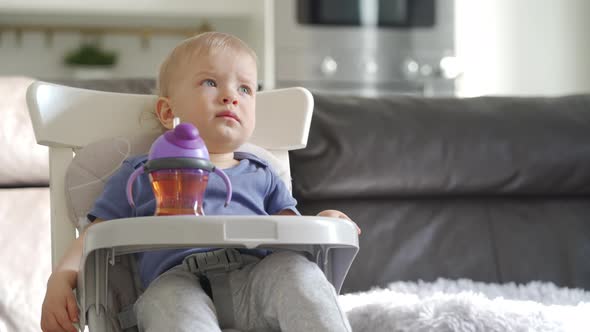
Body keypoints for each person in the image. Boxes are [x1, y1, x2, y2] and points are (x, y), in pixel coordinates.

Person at [40, 31, 359, 332]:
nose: (230, 97)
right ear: (168, 111)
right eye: (210, 82)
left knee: (299, 272)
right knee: (166, 302)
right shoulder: (141, 172)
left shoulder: (262, 174)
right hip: (175, 282)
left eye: (245, 89)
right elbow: (95, 236)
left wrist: (324, 223)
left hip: (256, 277)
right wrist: (61, 278)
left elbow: (294, 237)